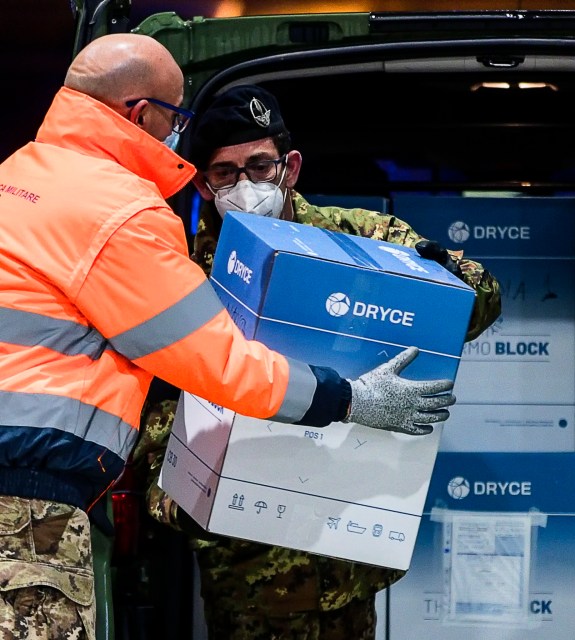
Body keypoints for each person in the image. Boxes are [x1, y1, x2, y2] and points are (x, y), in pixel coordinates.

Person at [0, 36, 457, 639]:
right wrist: (346, 398)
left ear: (289, 166)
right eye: (177, 119)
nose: (174, 137)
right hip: (29, 498)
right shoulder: (122, 212)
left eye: (260, 166)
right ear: (141, 115)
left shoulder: (18, 176)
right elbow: (215, 361)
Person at [132, 84, 502, 640]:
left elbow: (482, 304)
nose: (245, 186)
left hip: (346, 550)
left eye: (259, 166)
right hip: (246, 565)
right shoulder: (182, 276)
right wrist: (175, 500)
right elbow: (150, 412)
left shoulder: (362, 240)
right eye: (225, 173)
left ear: (291, 167)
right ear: (204, 186)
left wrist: (442, 274)